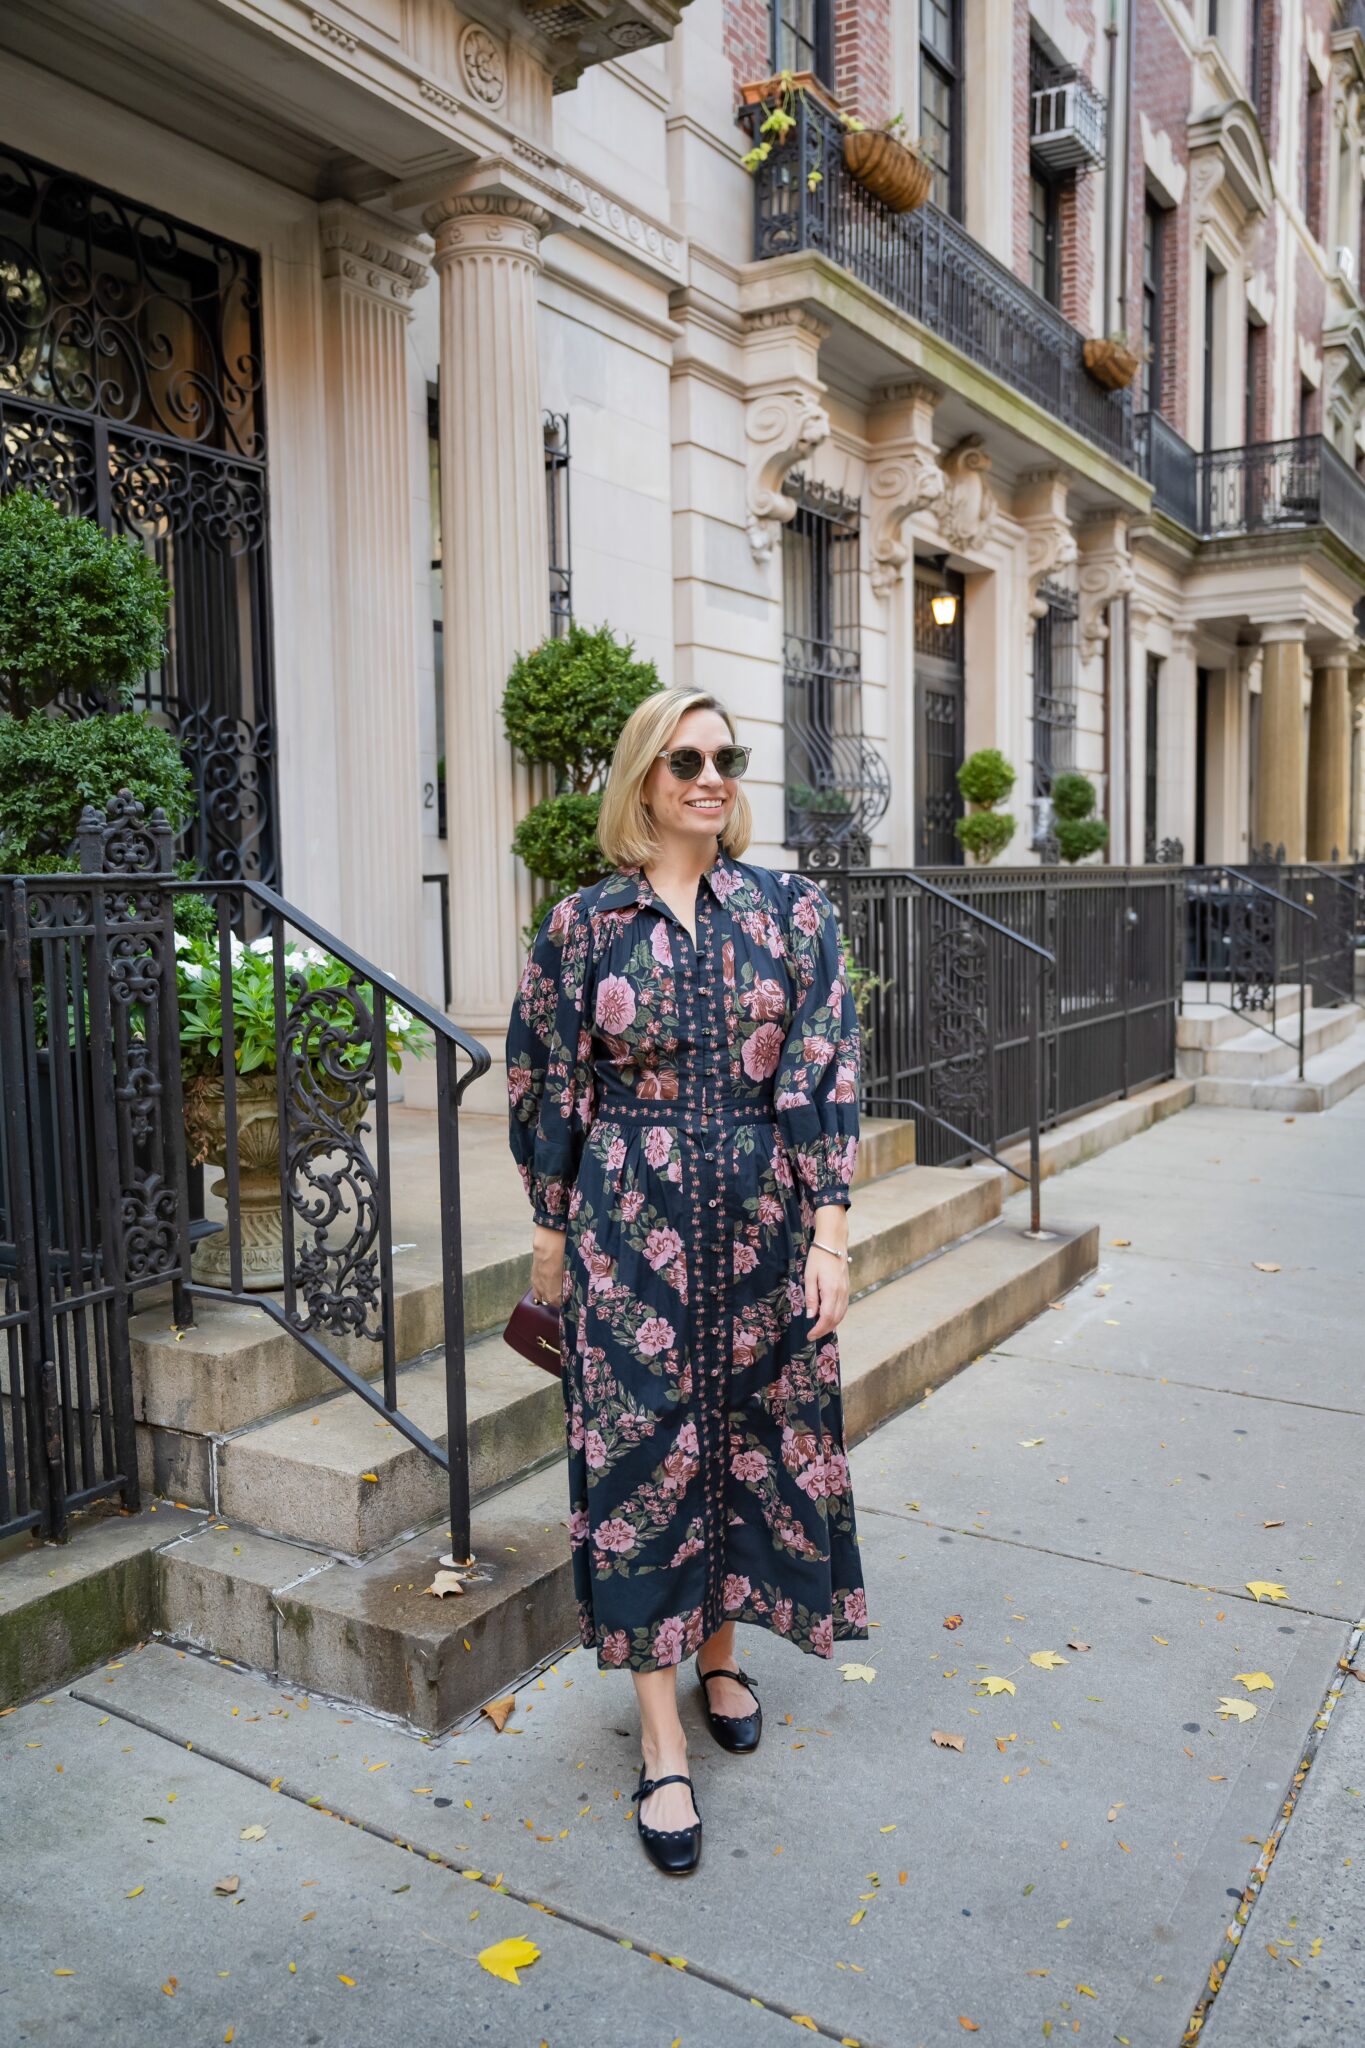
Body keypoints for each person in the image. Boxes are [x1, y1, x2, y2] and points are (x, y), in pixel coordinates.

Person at [505, 687, 869, 1875]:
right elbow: (546, 1081)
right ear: (643, 781)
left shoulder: (792, 910)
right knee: (645, 1460)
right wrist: (554, 1231)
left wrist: (831, 1229)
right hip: (631, 1224)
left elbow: (823, 1063)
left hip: (765, 1223)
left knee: (745, 1439)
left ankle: (721, 1654)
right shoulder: (582, 926)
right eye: (685, 760)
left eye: (725, 756)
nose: (710, 776)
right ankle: (660, 1739)